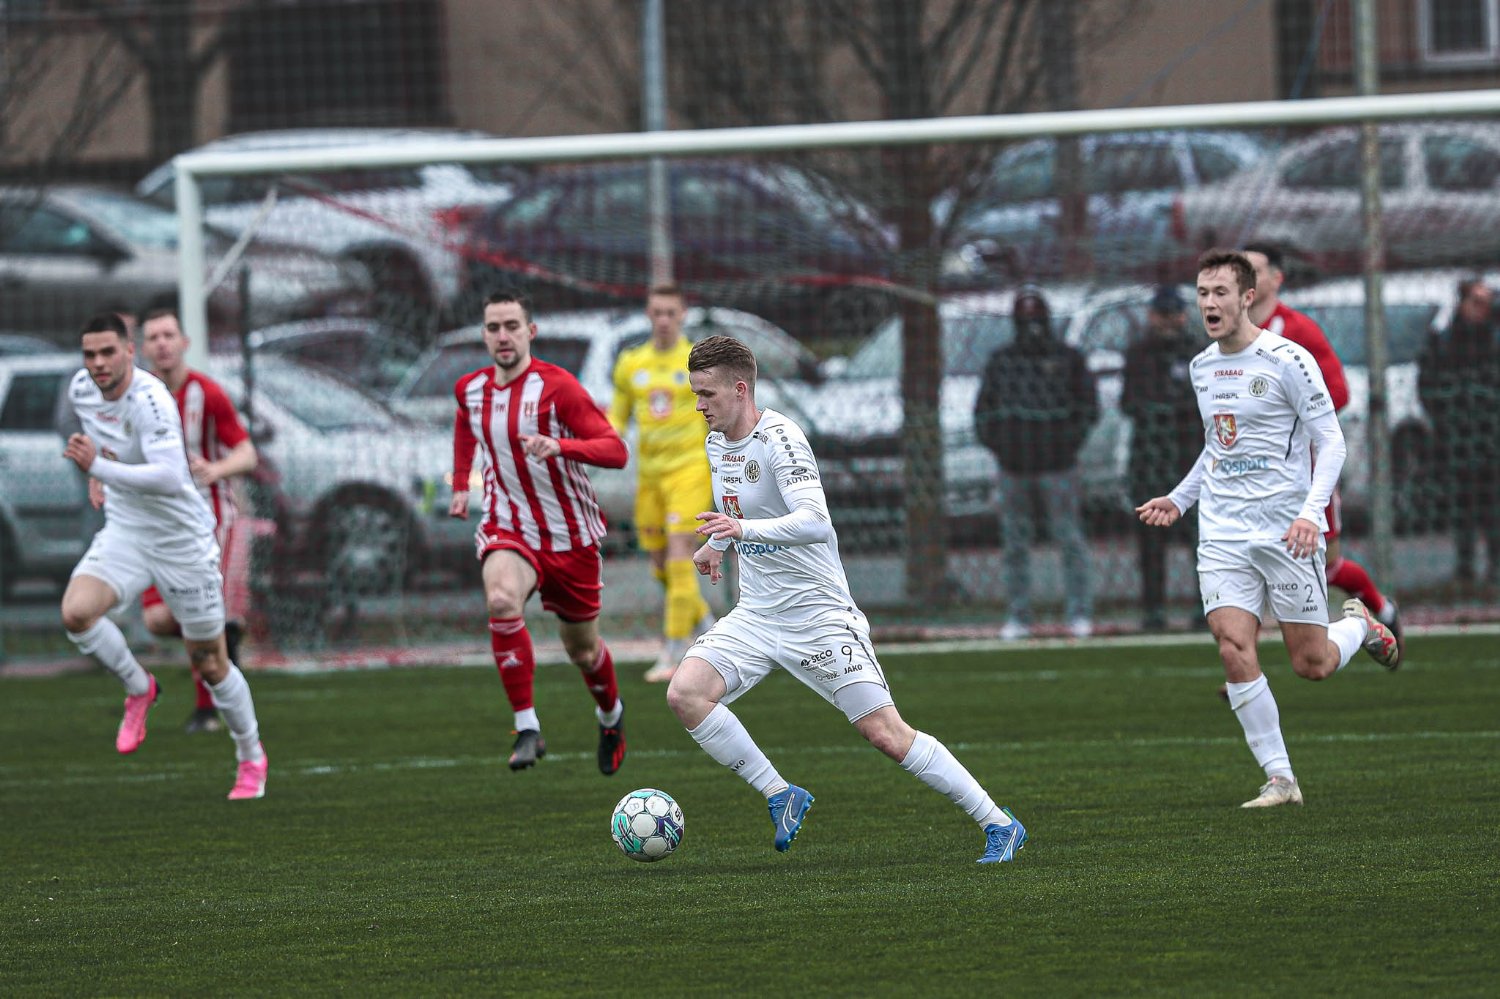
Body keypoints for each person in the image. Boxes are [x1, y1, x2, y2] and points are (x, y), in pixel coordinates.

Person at [665, 335, 1026, 863]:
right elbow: (739, 510)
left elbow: (814, 522)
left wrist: (739, 531)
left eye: (707, 394)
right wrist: (717, 544)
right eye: (695, 393)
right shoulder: (717, 442)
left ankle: (999, 823)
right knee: (686, 694)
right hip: (758, 614)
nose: (698, 405)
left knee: (886, 733)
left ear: (740, 390)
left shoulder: (781, 439)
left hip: (819, 615)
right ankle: (781, 794)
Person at [1136, 250, 1400, 809]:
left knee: (1312, 664)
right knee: (1233, 647)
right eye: (1202, 293)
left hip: (1285, 530)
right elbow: (1218, 446)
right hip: (1223, 532)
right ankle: (1281, 778)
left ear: (1247, 297)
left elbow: (1331, 442)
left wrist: (1310, 513)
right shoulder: (1201, 367)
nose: (1209, 303)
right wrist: (1180, 500)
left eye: (1220, 293)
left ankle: (1359, 624)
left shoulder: (1288, 360)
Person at [59, 312, 268, 799]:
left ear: (130, 352)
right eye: (90, 354)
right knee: (77, 613)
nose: (98, 363)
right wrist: (101, 472)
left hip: (181, 541)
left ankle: (251, 755)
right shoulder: (82, 389)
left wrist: (99, 470)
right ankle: (139, 687)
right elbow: (106, 442)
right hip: (127, 530)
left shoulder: (152, 399)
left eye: (108, 352)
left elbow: (170, 477)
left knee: (211, 663)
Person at [449, 290, 629, 775]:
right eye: (493, 327)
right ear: (484, 335)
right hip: (508, 525)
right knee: (501, 599)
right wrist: (461, 483)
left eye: (512, 326)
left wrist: (560, 446)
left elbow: (615, 451)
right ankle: (527, 726)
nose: (502, 336)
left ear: (530, 332)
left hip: (570, 536)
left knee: (583, 651)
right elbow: (466, 425)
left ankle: (611, 716)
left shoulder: (558, 387)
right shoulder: (470, 389)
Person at [1243, 243, 1402, 647]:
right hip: (1251, 470)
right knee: (1244, 558)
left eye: (1255, 269)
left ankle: (1381, 611)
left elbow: (1338, 391)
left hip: (1304, 470)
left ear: (1277, 279)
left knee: (1327, 567)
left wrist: (1288, 418)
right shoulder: (1230, 333)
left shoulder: (1298, 331)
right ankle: (1243, 659)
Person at [129, 304, 259, 733]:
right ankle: (226, 638)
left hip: (210, 518)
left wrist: (216, 470)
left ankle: (207, 710)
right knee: (157, 619)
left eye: (169, 335)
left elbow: (247, 453)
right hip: (159, 523)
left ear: (184, 342)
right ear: (143, 348)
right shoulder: (136, 397)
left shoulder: (208, 393)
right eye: (154, 337)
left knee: (195, 609)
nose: (162, 344)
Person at [974, 284, 1099, 640]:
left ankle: (1079, 612)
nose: (1032, 327)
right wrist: (1003, 448)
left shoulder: (1068, 359)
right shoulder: (1002, 362)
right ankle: (1019, 616)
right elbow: (983, 412)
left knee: (1069, 539)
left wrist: (1067, 443)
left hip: (1059, 465)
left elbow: (1088, 407)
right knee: (1015, 545)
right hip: (1014, 467)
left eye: (1036, 319)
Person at [608, 285, 715, 683]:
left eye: (671, 312)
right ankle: (705, 623)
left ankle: (675, 648)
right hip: (650, 476)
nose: (664, 320)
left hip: (689, 470)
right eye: (658, 312)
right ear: (648, 315)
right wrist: (600, 442)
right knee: (659, 564)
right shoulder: (631, 363)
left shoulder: (697, 363)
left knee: (679, 553)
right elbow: (617, 417)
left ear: (683, 314)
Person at [1122, 285, 1203, 632]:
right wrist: (1163, 409)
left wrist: (1176, 408)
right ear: (1152, 317)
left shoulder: (1198, 353)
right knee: (1151, 540)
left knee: (1201, 538)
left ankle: (1206, 606)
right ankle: (1153, 609)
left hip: (1190, 457)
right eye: (1162, 314)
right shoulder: (1139, 354)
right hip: (1150, 458)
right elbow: (1129, 402)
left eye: (1174, 314)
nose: (1169, 321)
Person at [1418, 277, 1500, 588]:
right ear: (1463, 304)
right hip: (1456, 437)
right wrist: (1446, 417)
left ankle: (1495, 565)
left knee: (1493, 503)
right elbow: (1428, 383)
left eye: (1487, 303)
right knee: (1462, 504)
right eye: (1476, 302)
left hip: (1491, 436)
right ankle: (1465, 566)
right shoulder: (1445, 341)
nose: (1483, 310)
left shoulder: (1493, 340)